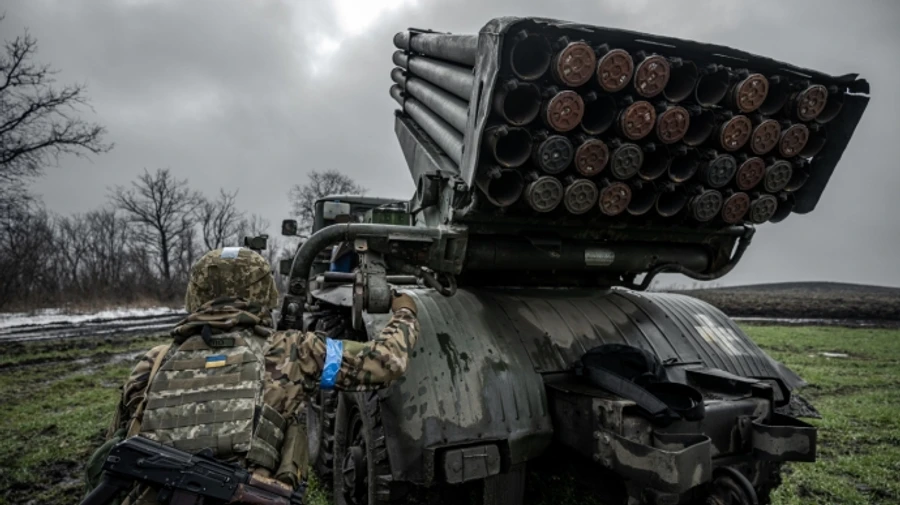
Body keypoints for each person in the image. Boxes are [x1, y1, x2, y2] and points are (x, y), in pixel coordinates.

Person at [84, 246, 419, 505]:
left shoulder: (151, 363)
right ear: (263, 294)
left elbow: (112, 450)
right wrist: (404, 311)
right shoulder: (295, 352)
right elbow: (385, 362)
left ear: (196, 295)